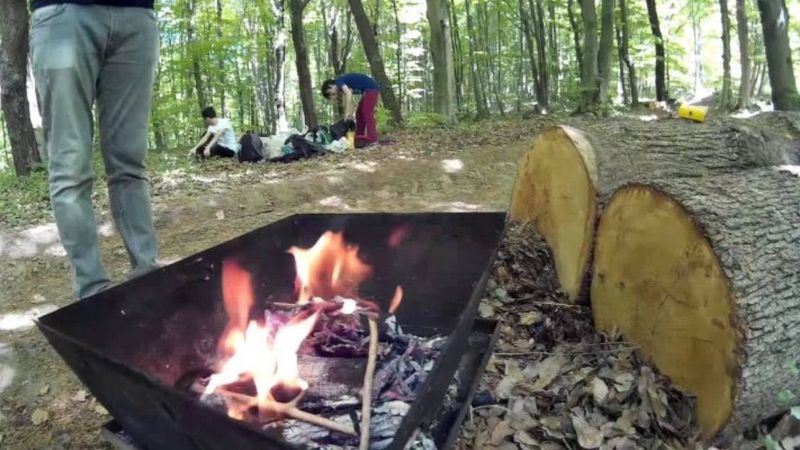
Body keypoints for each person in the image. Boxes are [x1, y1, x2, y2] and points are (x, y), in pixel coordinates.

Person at [30, 1, 160, 299]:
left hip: (137, 15)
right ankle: (93, 295)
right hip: (63, 14)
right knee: (70, 166)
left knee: (131, 163)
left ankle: (149, 279)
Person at [321, 73, 381, 147]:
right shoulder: (343, 86)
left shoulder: (339, 81)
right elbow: (349, 98)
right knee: (359, 113)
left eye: (331, 93)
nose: (334, 95)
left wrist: (347, 113)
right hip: (367, 91)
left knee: (367, 113)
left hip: (371, 89)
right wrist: (350, 113)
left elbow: (348, 94)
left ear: (330, 86)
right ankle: (359, 139)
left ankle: (373, 140)